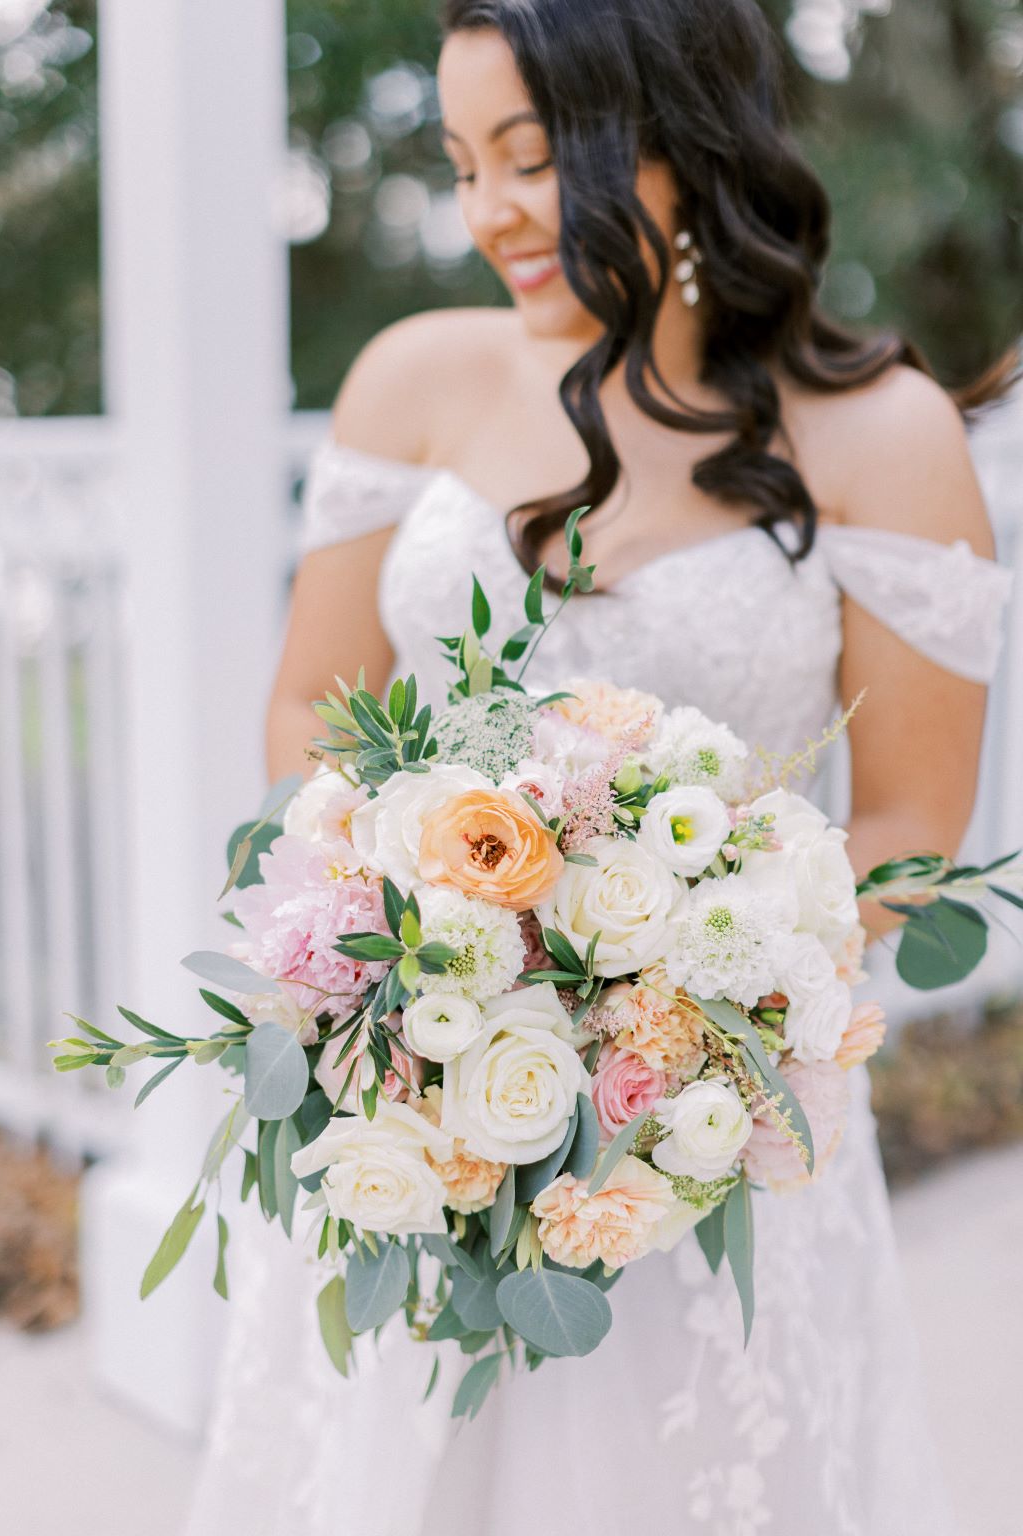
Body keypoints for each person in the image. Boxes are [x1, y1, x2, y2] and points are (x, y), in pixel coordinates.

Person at [186, 2, 1014, 1532]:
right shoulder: (414, 378)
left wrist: (667, 998)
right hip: (428, 1104)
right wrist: (424, 957)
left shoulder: (878, 435)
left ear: (684, 143)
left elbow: (907, 826)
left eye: (528, 156)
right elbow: (310, 708)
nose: (487, 209)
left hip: (713, 1141)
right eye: (459, 161)